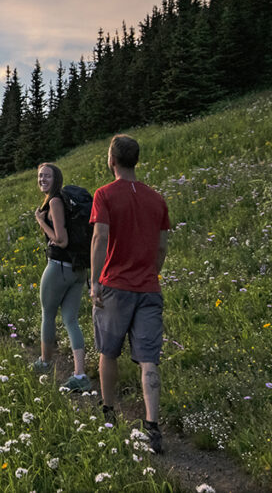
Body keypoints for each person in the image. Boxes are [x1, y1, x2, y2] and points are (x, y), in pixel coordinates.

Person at [90, 134, 170, 454]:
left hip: (115, 286)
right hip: (149, 287)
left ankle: (108, 411)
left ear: (112, 160)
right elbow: (162, 246)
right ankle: (152, 426)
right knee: (148, 360)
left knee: (108, 352)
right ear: (135, 160)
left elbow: (100, 237)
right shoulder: (157, 199)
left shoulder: (105, 195)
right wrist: (152, 271)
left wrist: (95, 281)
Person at [32, 162, 91, 392]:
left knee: (48, 313)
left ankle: (45, 362)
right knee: (71, 320)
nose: (42, 180)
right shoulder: (63, 200)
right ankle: (80, 374)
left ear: (56, 179)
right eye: (39, 176)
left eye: (46, 176)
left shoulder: (56, 201)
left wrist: (40, 220)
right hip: (78, 269)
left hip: (59, 267)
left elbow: (61, 239)